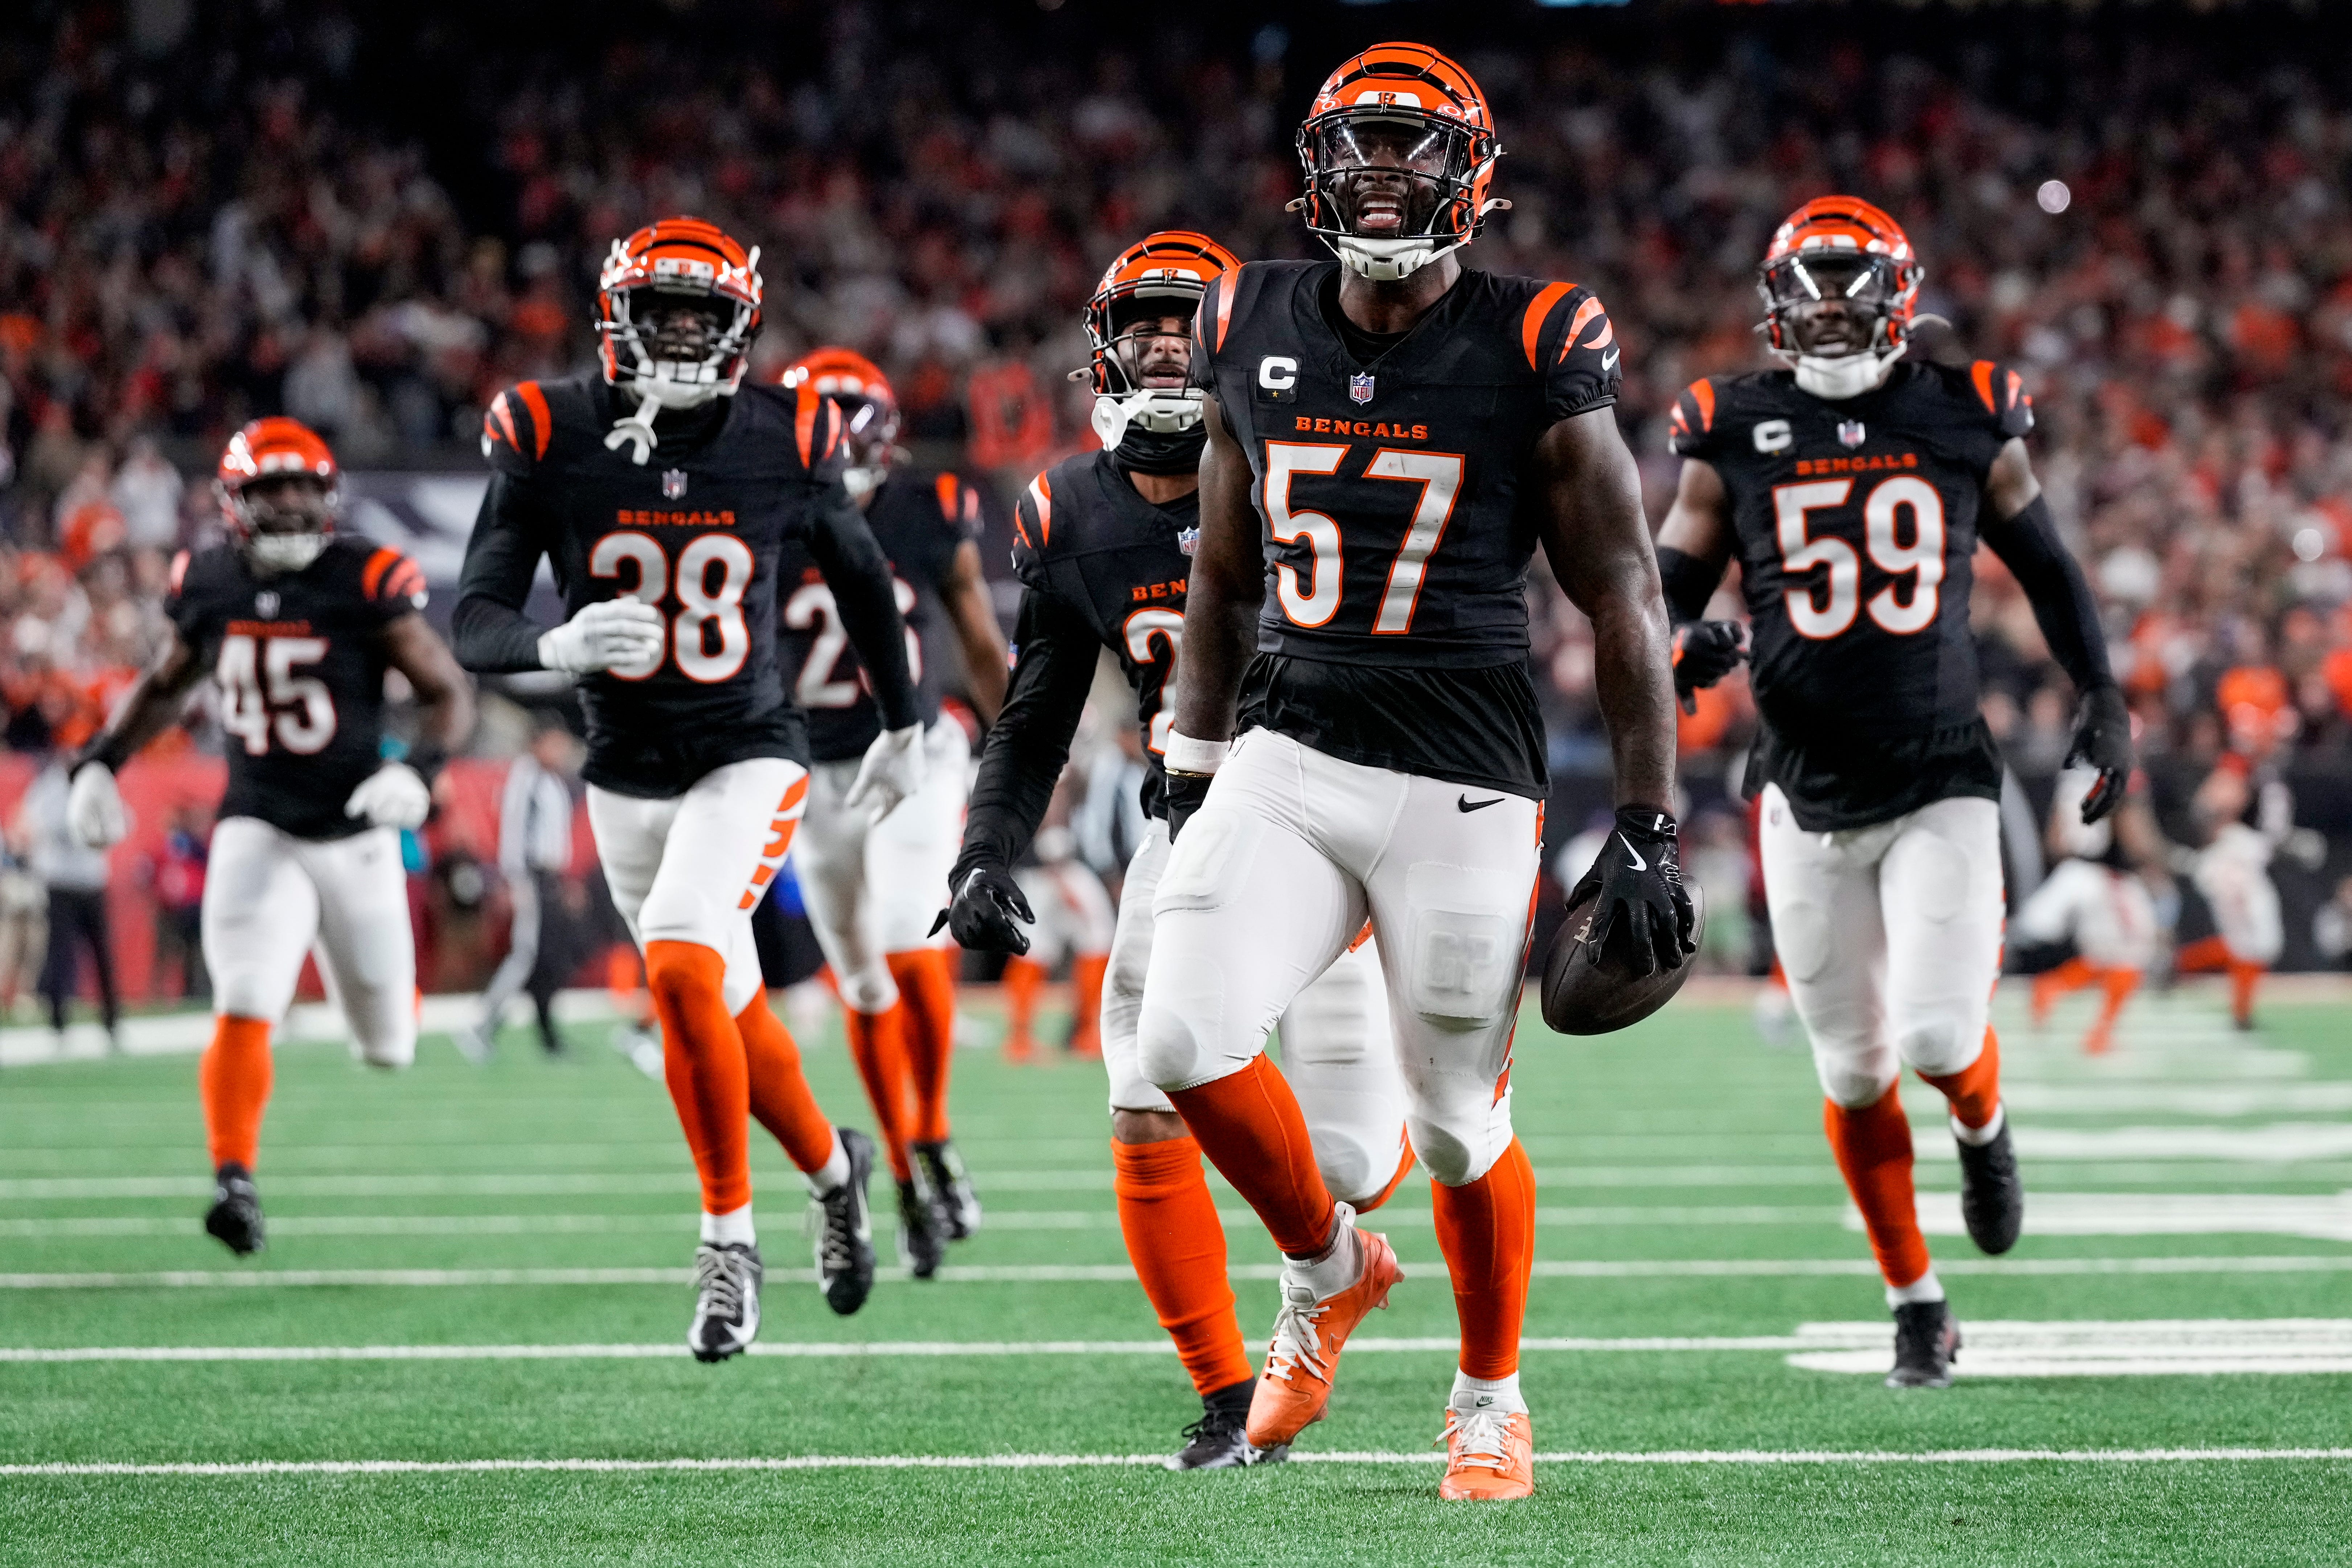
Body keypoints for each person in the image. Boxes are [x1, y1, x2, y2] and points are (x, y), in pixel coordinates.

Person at [1136, 50, 1690, 1499]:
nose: (1385, 169)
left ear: (1473, 173)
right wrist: (1193, 761)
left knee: (1452, 1121)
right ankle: (1328, 1268)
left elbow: (1625, 591)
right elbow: (1225, 573)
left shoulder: (1537, 335)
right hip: (1290, 745)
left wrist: (1646, 819)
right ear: (1314, 169)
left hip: (1463, 779)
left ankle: (1490, 1396)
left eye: (1415, 144)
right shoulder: (1247, 316)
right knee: (1180, 1037)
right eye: (1361, 144)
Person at [944, 228, 1411, 1471]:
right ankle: (1222, 1388)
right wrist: (987, 846)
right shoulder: (1071, 510)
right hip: (1187, 829)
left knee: (1359, 1156)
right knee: (1144, 1098)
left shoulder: (1308, 462)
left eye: (1183, 324)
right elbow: (1036, 711)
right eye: (1141, 326)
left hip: (1334, 828)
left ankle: (1340, 1249)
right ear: (1102, 353)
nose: (1162, 344)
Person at [1660, 196, 2133, 1387]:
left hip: (1939, 778)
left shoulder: (1966, 409)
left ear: (1895, 295)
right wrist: (1678, 638)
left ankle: (1981, 1124)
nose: (1825, 304)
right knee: (1854, 1072)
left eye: (1845, 280)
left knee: (1934, 1032)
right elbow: (1663, 578)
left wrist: (2103, 691)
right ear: (1774, 303)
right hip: (1802, 787)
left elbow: (2047, 562)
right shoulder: (1734, 425)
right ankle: (1915, 1299)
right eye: (1805, 283)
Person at [453, 216, 923, 1361]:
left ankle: (726, 1246)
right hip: (622, 769)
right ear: (614, 316)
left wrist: (905, 720)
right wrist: (551, 650)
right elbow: (474, 617)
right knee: (721, 1002)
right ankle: (833, 1170)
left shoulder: (785, 433)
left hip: (748, 748)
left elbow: (861, 577)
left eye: (698, 316)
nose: (675, 334)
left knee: (675, 947)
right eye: (658, 312)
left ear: (740, 328)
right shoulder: (548, 427)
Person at [65, 417, 474, 1253]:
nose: (287, 505)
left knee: (390, 1042)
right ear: (233, 503)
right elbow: (170, 682)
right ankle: (234, 1178)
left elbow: (446, 691)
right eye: (269, 489)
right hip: (256, 818)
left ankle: (373, 1016)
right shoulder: (208, 580)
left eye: (300, 488)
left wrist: (420, 770)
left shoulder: (364, 576)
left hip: (354, 828)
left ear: (327, 497)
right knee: (245, 998)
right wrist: (100, 759)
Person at [774, 346, 1008, 1278]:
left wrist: (1021, 752)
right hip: (809, 771)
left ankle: (936, 1132)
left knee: (914, 942)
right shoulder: (764, 514)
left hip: (914, 751)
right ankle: (910, 1162)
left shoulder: (928, 507)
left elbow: (979, 637)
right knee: (864, 983)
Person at [460, 717, 582, 1060]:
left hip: (547, 878)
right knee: (526, 956)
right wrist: (514, 882)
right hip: (531, 877)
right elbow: (515, 835)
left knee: (546, 959)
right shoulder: (527, 779)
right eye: (555, 743)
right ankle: (481, 1024)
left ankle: (548, 1037)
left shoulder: (549, 780)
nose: (561, 751)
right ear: (538, 743)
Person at [2021, 768, 2165, 1055]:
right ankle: (2100, 1034)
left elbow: (2055, 840)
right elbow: (2131, 827)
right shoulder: (2119, 771)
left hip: (2079, 873)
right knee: (2134, 955)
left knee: (2104, 957)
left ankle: (2051, 987)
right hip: (2110, 878)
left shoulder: (2072, 775)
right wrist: (2155, 861)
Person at [2174, 758, 2282, 1029]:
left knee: (2255, 947)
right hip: (2225, 870)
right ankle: (2239, 1013)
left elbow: (2267, 833)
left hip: (2238, 871)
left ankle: (2181, 965)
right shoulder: (2215, 789)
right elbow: (2203, 822)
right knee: (2248, 947)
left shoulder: (2249, 798)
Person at [24, 753, 119, 1050]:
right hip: (61, 882)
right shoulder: (51, 786)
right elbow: (45, 823)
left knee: (102, 953)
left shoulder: (99, 784)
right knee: (60, 954)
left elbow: (121, 821)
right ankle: (58, 1022)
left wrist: (100, 828)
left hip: (92, 882)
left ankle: (112, 1021)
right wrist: (85, 826)